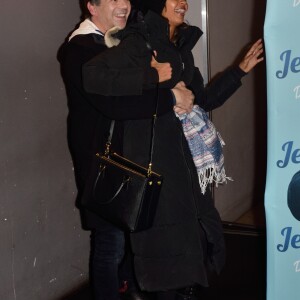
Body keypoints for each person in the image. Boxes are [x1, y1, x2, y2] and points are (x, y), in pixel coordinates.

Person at [81, 0, 264, 299]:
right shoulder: (141, 41)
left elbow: (200, 100)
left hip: (185, 166)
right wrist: (154, 77)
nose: (184, 3)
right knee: (166, 256)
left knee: (190, 249)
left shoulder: (179, 48)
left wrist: (238, 71)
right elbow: (94, 75)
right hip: (157, 166)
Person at [60, 1, 195, 299]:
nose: (123, 5)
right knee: (111, 241)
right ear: (91, 7)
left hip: (132, 153)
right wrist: (169, 96)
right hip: (103, 159)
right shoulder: (81, 48)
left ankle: (132, 288)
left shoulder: (125, 40)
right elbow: (116, 104)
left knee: (135, 236)